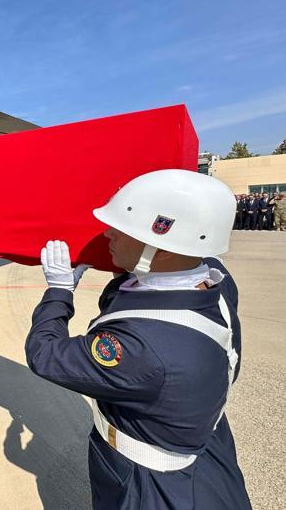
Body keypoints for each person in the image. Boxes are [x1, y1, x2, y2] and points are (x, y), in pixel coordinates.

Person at [25, 169, 251, 510]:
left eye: (123, 229)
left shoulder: (141, 348)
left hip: (152, 487)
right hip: (202, 448)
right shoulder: (212, 278)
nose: (107, 233)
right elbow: (136, 299)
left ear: (162, 251)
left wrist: (58, 292)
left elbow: (45, 354)